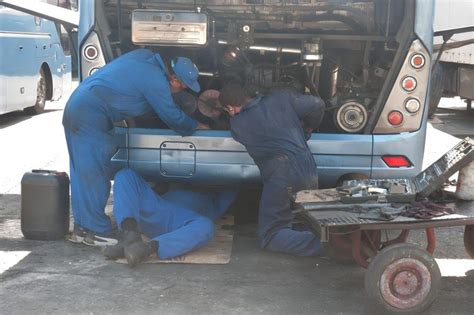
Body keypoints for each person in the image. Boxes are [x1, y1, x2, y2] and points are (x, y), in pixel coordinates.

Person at [63, 49, 208, 246]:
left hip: (77, 105)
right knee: (95, 173)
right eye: (182, 85)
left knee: (81, 171)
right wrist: (197, 126)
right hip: (91, 114)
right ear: (173, 77)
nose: (181, 90)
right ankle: (97, 231)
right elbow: (171, 116)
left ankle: (82, 228)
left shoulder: (145, 58)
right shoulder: (155, 80)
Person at [218, 82, 325, 256]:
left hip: (282, 174)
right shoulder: (281, 98)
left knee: (271, 235)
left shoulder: (238, 125)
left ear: (230, 108)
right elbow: (318, 104)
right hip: (308, 167)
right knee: (304, 220)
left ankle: (328, 245)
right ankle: (332, 238)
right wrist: (307, 127)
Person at [102, 169, 237, 267]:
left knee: (206, 226)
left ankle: (145, 249)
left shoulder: (221, 189)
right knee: (125, 175)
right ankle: (130, 236)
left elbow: (233, 186)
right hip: (157, 208)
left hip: (182, 223)